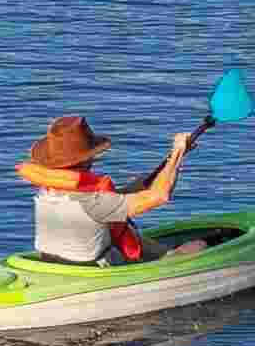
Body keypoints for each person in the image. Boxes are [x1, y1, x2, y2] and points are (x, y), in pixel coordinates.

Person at [15, 112, 196, 264]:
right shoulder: (93, 202)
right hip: (92, 269)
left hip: (51, 262)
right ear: (87, 158)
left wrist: (167, 164)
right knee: (198, 247)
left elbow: (109, 203)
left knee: (147, 244)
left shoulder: (49, 188)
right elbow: (159, 195)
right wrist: (178, 152)